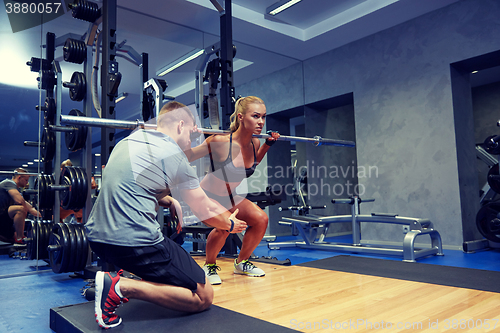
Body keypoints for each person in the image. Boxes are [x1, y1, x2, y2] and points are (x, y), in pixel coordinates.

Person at [85, 101, 248, 329]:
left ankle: (122, 273)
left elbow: (130, 184)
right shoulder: (174, 155)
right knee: (204, 295)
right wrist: (229, 223)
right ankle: (120, 287)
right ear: (180, 125)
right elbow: (205, 209)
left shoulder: (127, 142)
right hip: (134, 244)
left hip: (98, 242)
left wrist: (168, 199)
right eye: (192, 130)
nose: (194, 137)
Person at [185, 96, 279, 285]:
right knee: (226, 225)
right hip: (205, 196)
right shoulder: (219, 141)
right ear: (241, 117)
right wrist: (188, 137)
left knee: (261, 219)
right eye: (255, 116)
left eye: (263, 117)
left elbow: (254, 163)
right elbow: (188, 156)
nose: (261, 122)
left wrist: (268, 144)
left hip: (229, 197)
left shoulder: (255, 143)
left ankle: (242, 262)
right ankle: (209, 265)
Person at [0, 168, 41, 244]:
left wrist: (45, 216)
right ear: (19, 177)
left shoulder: (16, 190)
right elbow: (20, 201)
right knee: (20, 209)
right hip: (2, 216)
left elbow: (30, 208)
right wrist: (24, 212)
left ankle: (17, 238)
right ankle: (20, 238)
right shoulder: (9, 183)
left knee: (11, 238)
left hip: (5, 219)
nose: (27, 183)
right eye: (26, 180)